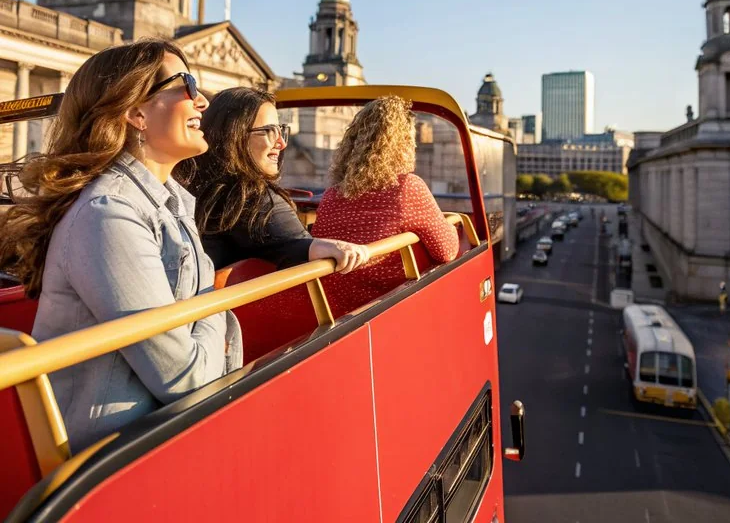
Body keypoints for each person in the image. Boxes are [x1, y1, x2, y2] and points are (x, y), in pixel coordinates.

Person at [0, 40, 242, 452]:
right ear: (135, 113)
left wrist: (212, 314)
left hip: (152, 435)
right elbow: (186, 378)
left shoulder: (170, 200)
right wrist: (218, 310)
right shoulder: (107, 213)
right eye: (186, 84)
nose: (202, 100)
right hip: (110, 455)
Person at [185, 86, 368, 273]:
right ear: (234, 136)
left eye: (281, 130)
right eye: (268, 131)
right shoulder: (251, 196)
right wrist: (326, 247)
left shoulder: (188, 187)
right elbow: (297, 245)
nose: (282, 143)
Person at [311, 96, 460, 318]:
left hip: (333, 315)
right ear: (403, 143)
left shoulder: (331, 195)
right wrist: (451, 221)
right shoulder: (407, 188)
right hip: (388, 310)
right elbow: (447, 250)